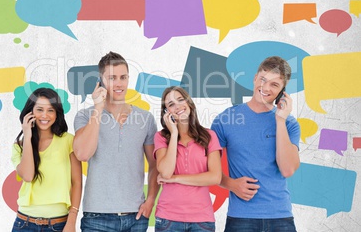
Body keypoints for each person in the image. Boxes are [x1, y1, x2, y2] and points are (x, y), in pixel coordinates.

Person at [211, 56, 300, 232]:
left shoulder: (289, 124)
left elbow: (288, 169)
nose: (266, 88)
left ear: (283, 91)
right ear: (254, 78)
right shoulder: (226, 119)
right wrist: (232, 185)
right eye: (263, 80)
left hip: (280, 217)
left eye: (274, 85)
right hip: (241, 219)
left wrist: (280, 120)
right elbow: (206, 168)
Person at [73, 51, 159, 232]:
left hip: (136, 216)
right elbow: (82, 154)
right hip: (96, 216)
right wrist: (98, 108)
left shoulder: (145, 118)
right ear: (101, 81)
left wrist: (150, 199)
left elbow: (154, 164)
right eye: (112, 78)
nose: (119, 83)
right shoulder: (85, 116)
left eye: (123, 77)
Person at [11, 88, 82, 232]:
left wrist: (72, 221)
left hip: (59, 224)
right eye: (39, 109)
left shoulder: (68, 141)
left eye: (50, 110)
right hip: (24, 224)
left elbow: (77, 182)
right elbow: (28, 175)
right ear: (30, 112)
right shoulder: (19, 146)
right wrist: (28, 136)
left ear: (57, 113)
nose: (45, 115)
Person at [154, 86, 222, 232]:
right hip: (168, 219)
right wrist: (173, 133)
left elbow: (215, 177)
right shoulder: (161, 137)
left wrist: (175, 179)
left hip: (202, 220)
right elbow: (165, 173)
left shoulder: (209, 136)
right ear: (166, 112)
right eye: (171, 104)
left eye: (180, 100)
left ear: (189, 103)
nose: (177, 106)